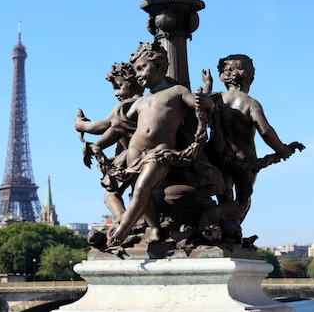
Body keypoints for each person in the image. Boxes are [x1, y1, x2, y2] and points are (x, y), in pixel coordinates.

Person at [107, 41, 213, 247]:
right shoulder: (140, 101)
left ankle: (123, 229)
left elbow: (200, 104)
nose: (137, 74)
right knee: (138, 192)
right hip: (135, 151)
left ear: (160, 67)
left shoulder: (177, 91)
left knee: (141, 189)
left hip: (160, 151)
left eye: (141, 68)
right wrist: (92, 136)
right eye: (136, 70)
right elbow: (117, 126)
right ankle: (153, 226)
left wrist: (206, 93)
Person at [204, 54, 300, 223]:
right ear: (250, 77)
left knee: (225, 197)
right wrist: (282, 150)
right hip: (245, 161)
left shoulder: (216, 99)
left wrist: (207, 85)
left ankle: (224, 227)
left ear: (224, 77)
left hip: (219, 158)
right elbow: (266, 131)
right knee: (243, 201)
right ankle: (221, 220)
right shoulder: (250, 104)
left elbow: (201, 104)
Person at [74, 62, 143, 222]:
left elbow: (103, 126)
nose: (115, 93)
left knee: (110, 194)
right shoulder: (146, 103)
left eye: (118, 86)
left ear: (133, 82)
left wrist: (81, 124)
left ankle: (123, 222)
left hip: (130, 158)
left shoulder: (126, 106)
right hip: (141, 156)